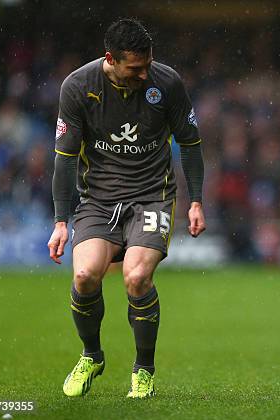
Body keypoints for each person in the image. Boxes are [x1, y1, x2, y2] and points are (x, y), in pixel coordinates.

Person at [47, 18, 206, 399]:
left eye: (148, 64)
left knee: (136, 278)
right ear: (111, 59)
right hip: (98, 200)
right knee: (85, 275)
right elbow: (65, 159)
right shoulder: (78, 87)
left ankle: (143, 370)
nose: (144, 73)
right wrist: (60, 221)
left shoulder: (166, 84)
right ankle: (92, 356)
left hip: (152, 195)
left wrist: (196, 199)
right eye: (135, 68)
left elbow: (192, 143)